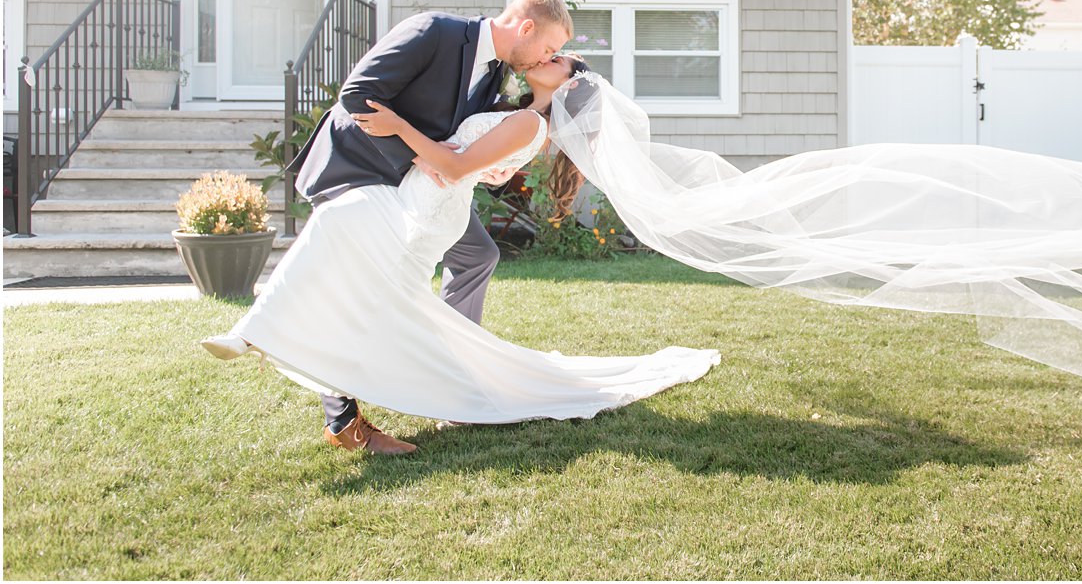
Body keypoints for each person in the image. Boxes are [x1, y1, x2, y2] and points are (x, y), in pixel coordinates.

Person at [202, 54, 721, 454]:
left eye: (561, 60)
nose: (551, 56)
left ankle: (276, 346)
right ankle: (272, 346)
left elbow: (453, 165)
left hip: (432, 206)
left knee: (355, 265)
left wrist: (402, 131)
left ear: (566, 86)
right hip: (422, 196)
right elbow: (469, 158)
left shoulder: (529, 125)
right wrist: (472, 163)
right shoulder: (518, 112)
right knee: (346, 252)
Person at [272, 0, 575, 452]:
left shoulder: (498, 74)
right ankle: (343, 418)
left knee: (477, 253)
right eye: (549, 49)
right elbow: (357, 96)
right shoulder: (434, 31)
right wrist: (420, 158)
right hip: (362, 169)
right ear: (527, 27)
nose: (544, 59)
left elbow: (467, 143)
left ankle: (451, 372)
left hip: (421, 190)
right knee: (364, 284)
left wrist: (479, 164)